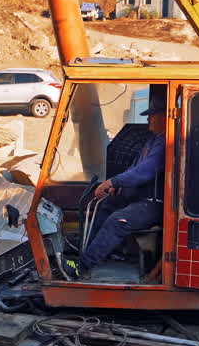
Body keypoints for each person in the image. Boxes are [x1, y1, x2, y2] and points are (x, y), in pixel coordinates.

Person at [66, 85, 166, 279]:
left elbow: (144, 172)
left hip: (155, 203)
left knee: (117, 221)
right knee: (106, 206)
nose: (148, 118)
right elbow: (134, 167)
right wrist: (116, 186)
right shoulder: (153, 140)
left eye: (152, 114)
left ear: (164, 116)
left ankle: (82, 267)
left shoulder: (166, 143)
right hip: (141, 198)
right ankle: (87, 252)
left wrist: (114, 181)